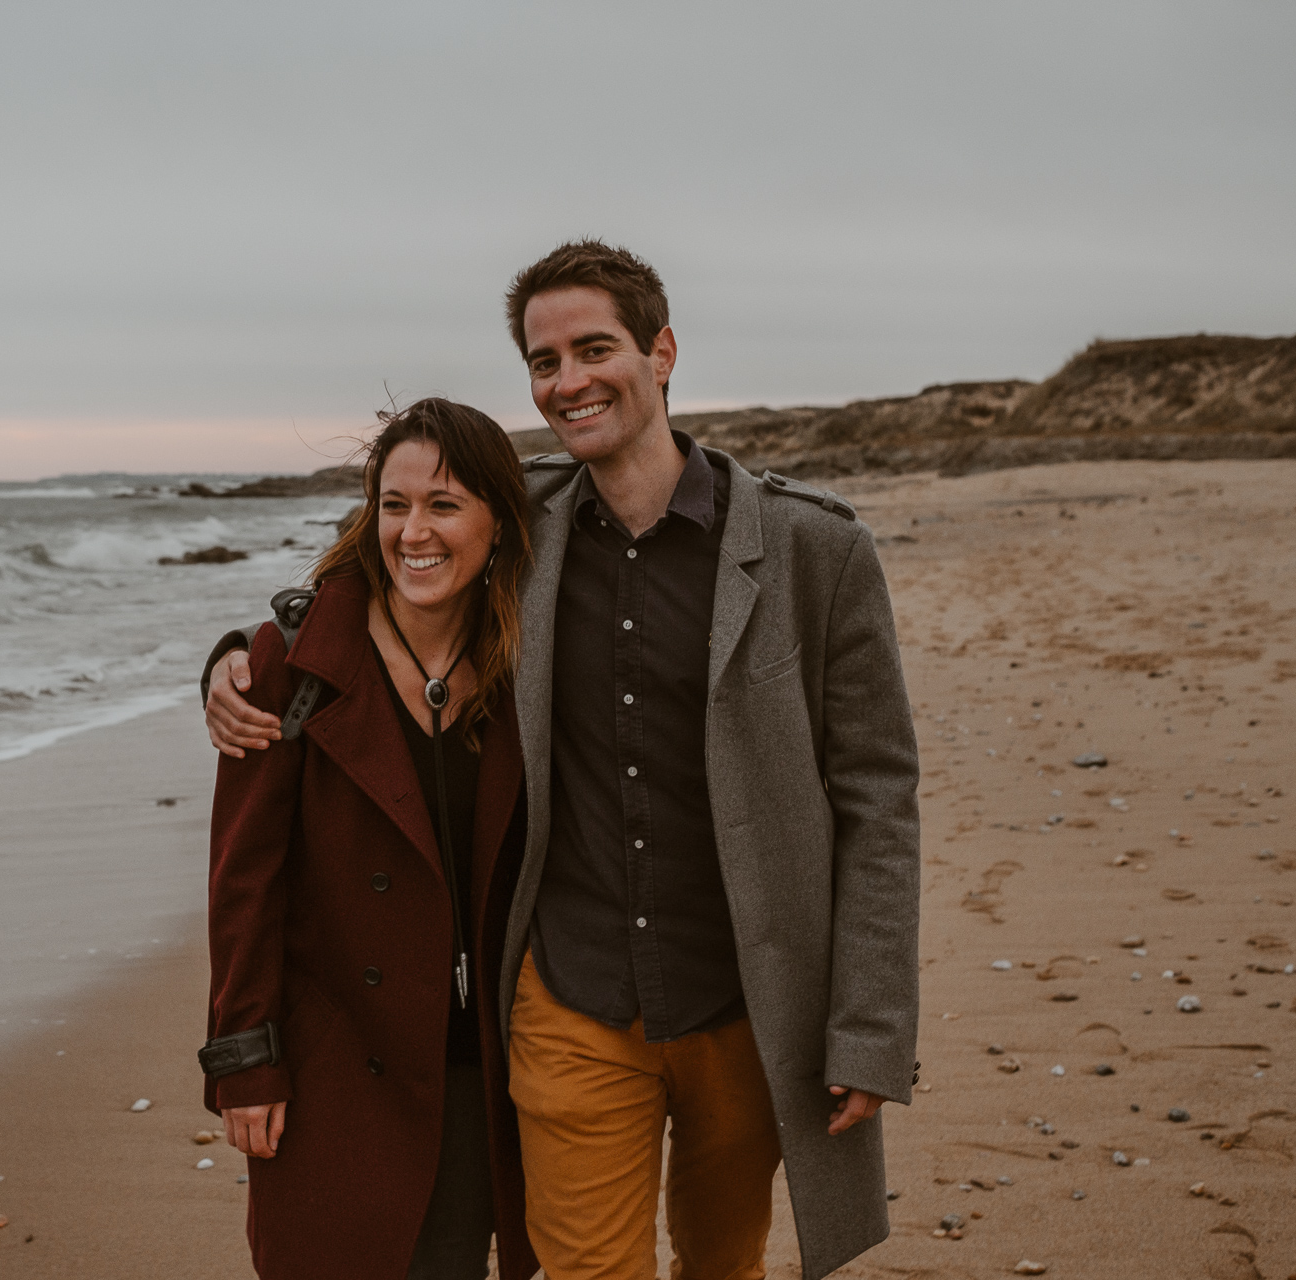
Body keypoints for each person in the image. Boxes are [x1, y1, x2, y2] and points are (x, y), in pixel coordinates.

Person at [204, 241, 921, 1280]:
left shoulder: (816, 553)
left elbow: (877, 799)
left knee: (724, 1259)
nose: (568, 379)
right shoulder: (520, 526)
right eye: (544, 361)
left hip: (746, 996)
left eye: (594, 348)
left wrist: (868, 1024)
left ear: (661, 350)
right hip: (568, 993)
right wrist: (234, 662)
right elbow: (383, 564)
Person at [202, 398, 541, 1280]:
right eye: (394, 505)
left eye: (444, 504)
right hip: (332, 1068)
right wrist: (243, 1065)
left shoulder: (525, 665)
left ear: (497, 524)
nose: (413, 532)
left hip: (475, 1067)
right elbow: (243, 884)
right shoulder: (292, 666)